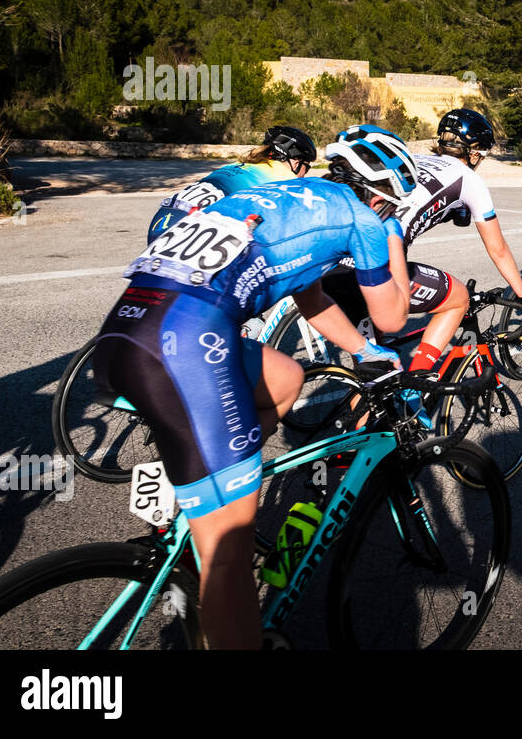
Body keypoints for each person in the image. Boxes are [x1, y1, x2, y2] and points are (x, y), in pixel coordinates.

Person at [92, 126, 418, 649]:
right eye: (390, 207)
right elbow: (394, 317)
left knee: (287, 378)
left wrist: (363, 352)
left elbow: (309, 296)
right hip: (184, 347)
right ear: (380, 196)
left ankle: (203, 490)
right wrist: (391, 238)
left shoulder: (277, 194)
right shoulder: (365, 218)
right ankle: (217, 538)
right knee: (230, 557)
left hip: (124, 333)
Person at [324, 109, 522, 380]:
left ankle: (365, 415)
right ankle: (418, 381)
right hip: (375, 261)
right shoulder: (469, 179)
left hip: (334, 259)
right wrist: (521, 295)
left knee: (372, 375)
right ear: (474, 152)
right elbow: (497, 249)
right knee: (458, 298)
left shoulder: (412, 159)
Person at [146, 126, 317, 242]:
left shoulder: (238, 165)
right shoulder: (285, 177)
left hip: (163, 220)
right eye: (306, 168)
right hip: (192, 230)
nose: (304, 175)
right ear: (296, 162)